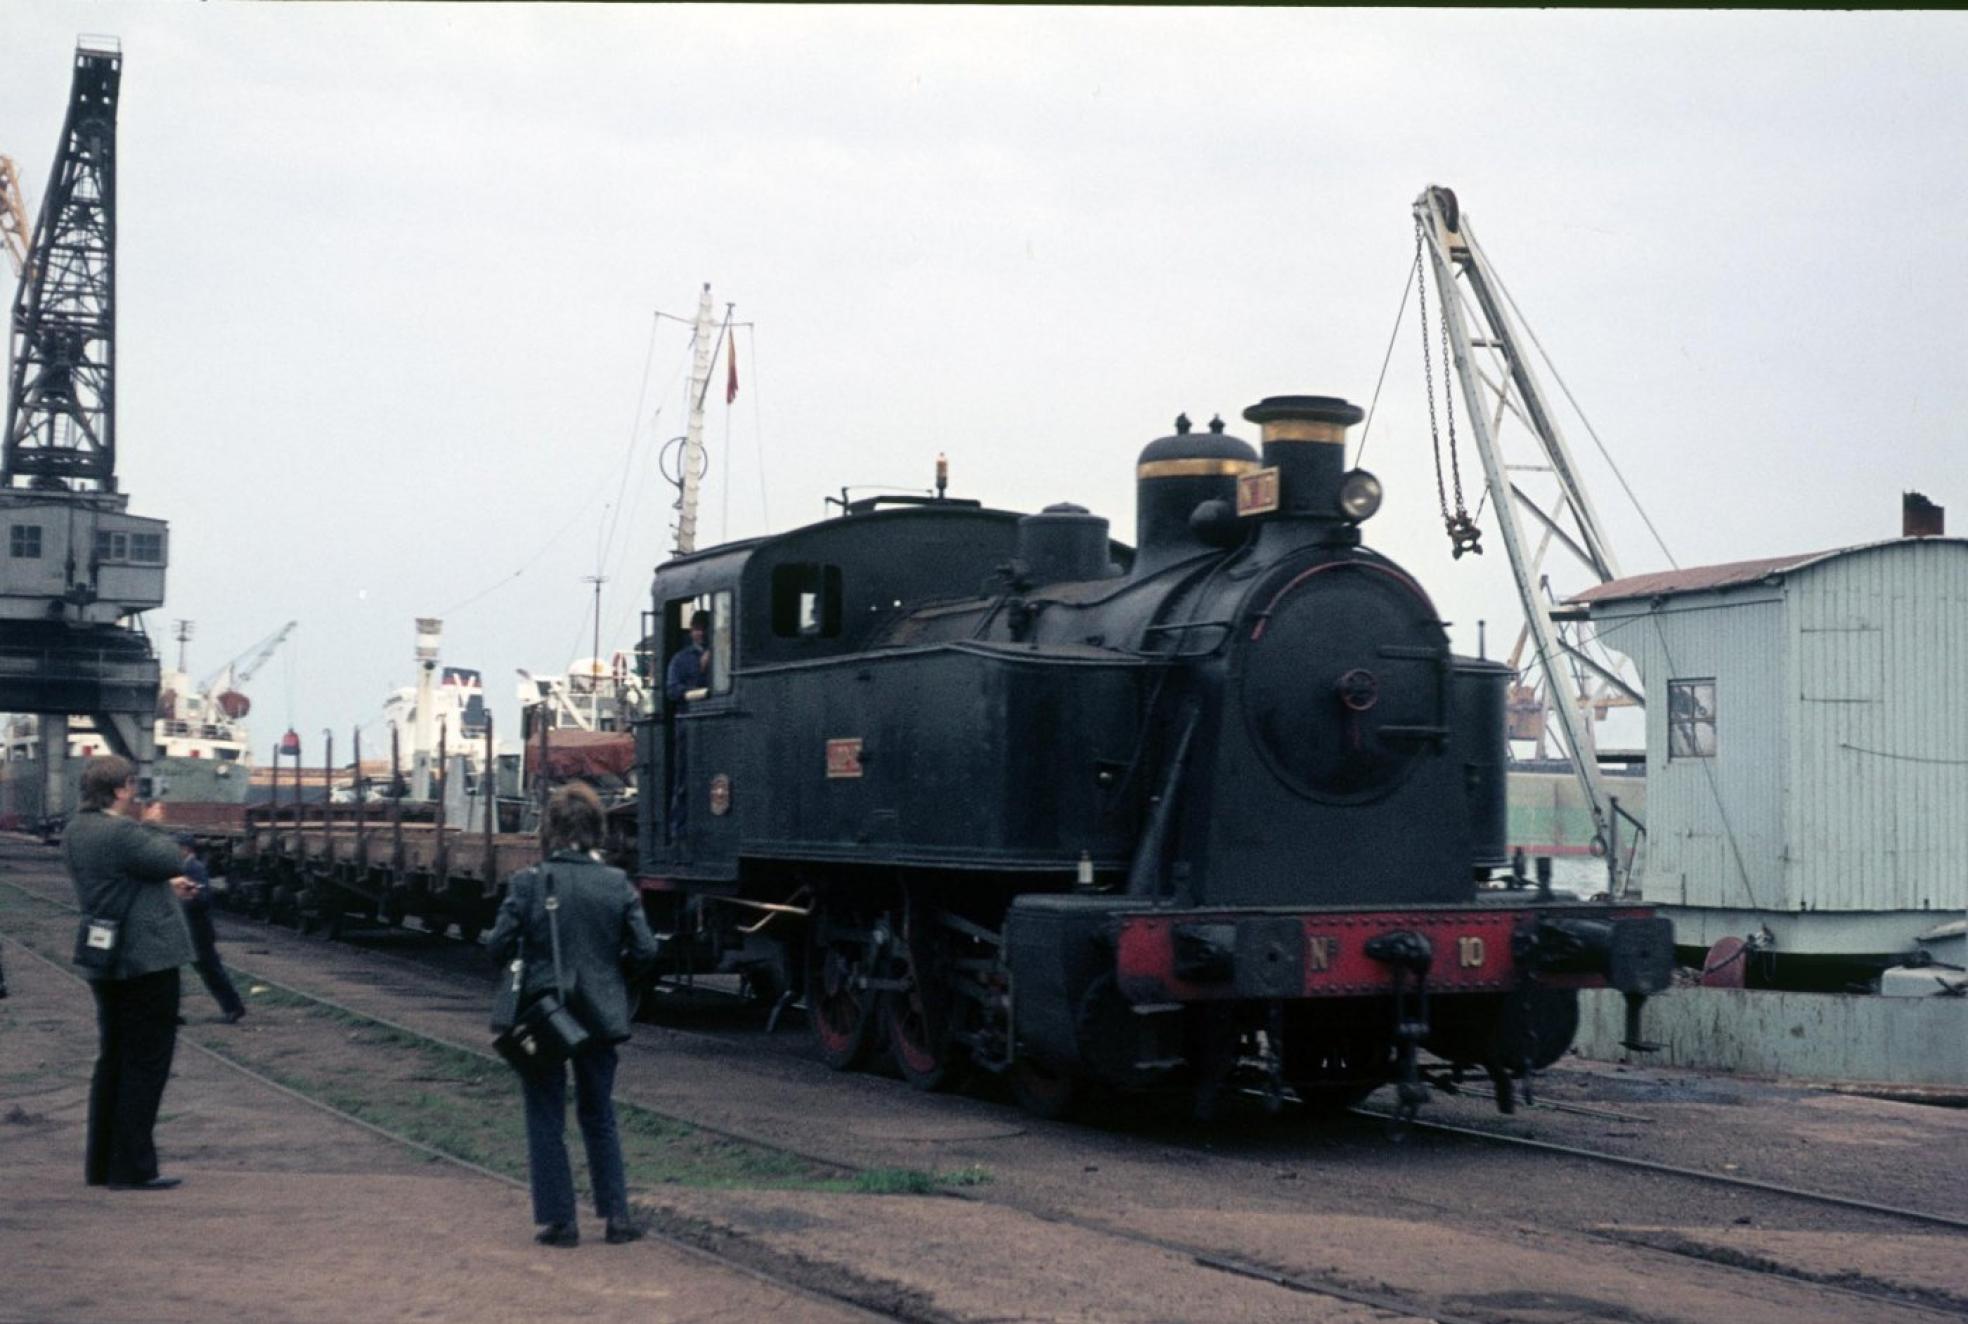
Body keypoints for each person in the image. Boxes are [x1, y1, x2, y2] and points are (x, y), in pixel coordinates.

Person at [487, 782, 660, 1248]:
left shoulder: (528, 883)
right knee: (598, 1112)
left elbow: (497, 944)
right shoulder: (616, 884)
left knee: (545, 1113)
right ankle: (617, 1216)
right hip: (602, 1013)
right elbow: (645, 949)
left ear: (549, 830)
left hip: (546, 1015)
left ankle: (561, 1221)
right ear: (597, 831)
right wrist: (612, 977)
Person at [64, 756, 197, 1191]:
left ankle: (101, 1164)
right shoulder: (122, 831)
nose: (137, 793)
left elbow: (121, 877)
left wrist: (163, 887)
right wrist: (155, 823)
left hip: (105, 957)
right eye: (132, 786)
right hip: (145, 960)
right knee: (146, 1062)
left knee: (113, 1059)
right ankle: (133, 1168)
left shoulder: (77, 829)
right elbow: (168, 858)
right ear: (120, 789)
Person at [175, 835, 245, 1023]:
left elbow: (203, 898)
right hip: (190, 929)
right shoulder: (186, 868)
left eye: (177, 848)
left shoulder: (194, 868)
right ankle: (232, 1007)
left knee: (210, 970)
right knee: (201, 971)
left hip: (198, 931)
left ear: (186, 849)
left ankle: (233, 1007)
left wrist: (181, 900)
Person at [664, 610, 712, 838]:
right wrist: (700, 677)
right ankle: (678, 829)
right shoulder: (681, 659)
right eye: (697, 629)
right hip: (688, 721)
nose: (700, 633)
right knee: (683, 778)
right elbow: (672, 690)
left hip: (714, 720)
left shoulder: (724, 654)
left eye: (703, 629)